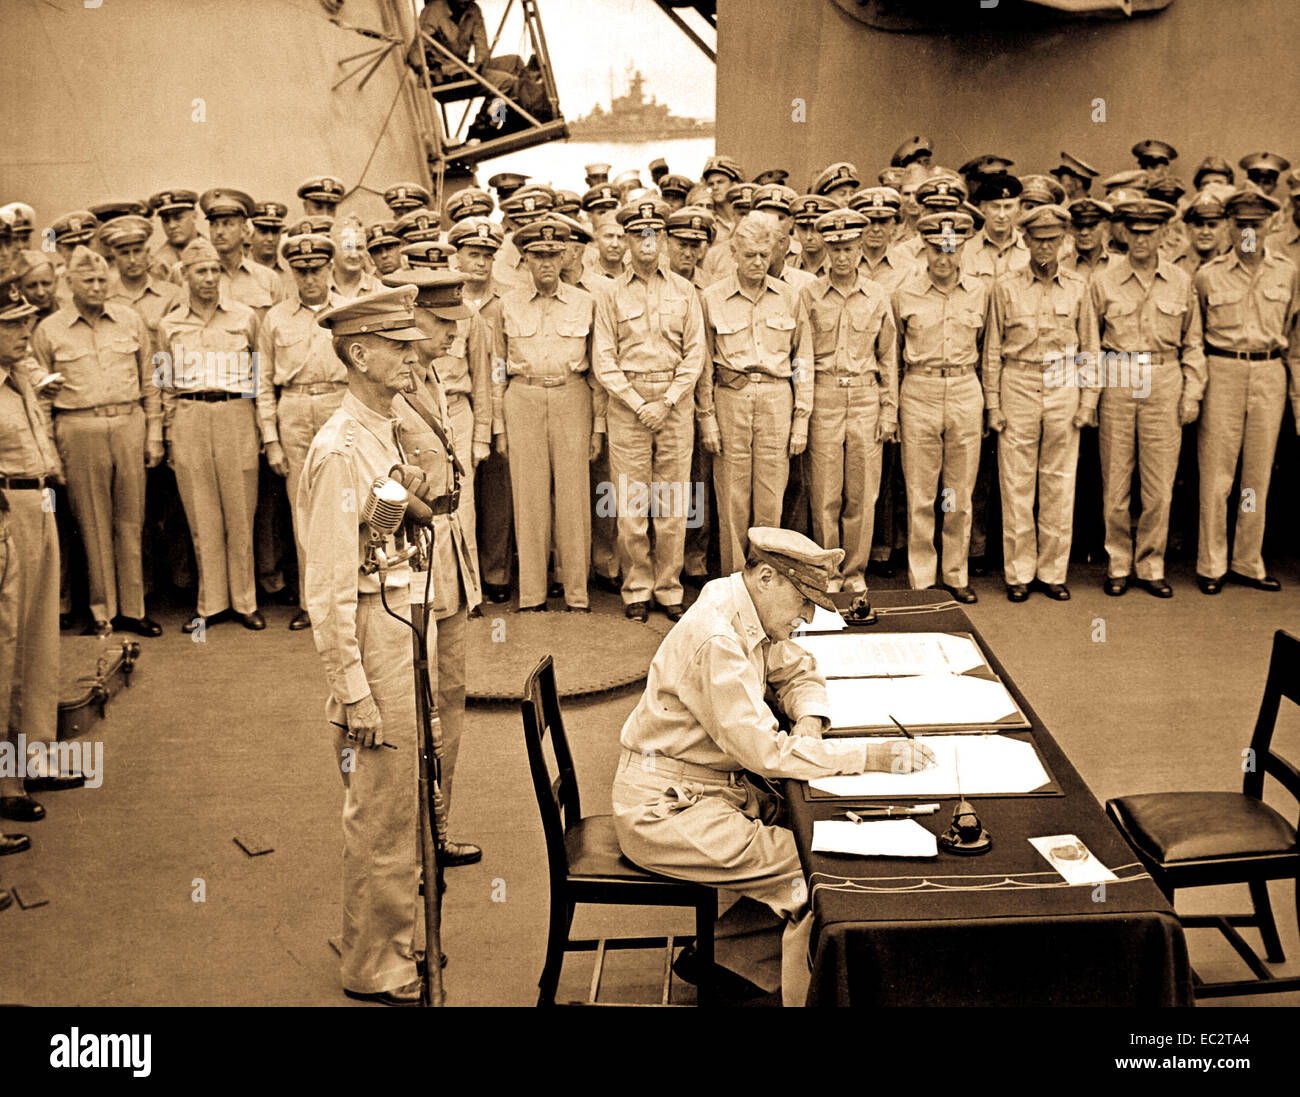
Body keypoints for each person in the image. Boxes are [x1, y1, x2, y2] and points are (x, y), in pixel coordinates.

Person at [612, 525, 934, 1005]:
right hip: (668, 810)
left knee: (818, 838)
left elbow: (798, 668)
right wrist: (870, 756)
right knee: (819, 872)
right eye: (803, 600)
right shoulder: (716, 637)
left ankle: (724, 957)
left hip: (712, 788)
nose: (807, 614)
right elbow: (764, 752)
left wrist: (808, 718)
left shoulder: (741, 602)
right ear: (766, 577)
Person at [299, 285, 427, 1007]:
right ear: (359, 352)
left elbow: (382, 529)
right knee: (379, 808)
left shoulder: (385, 425)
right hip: (374, 636)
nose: (411, 353)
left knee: (403, 796)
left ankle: (390, 936)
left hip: (403, 617)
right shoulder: (340, 447)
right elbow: (327, 587)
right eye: (397, 344)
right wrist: (353, 691)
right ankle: (373, 964)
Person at [382, 268, 484, 868]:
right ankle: (411, 836)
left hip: (449, 546)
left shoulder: (431, 375)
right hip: (414, 553)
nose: (452, 334)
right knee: (416, 697)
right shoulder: (388, 393)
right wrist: (411, 504)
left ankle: (436, 826)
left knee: (450, 690)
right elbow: (378, 498)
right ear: (410, 320)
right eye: (442, 324)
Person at [30, 246, 162, 635]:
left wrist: (154, 434)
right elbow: (38, 400)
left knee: (130, 521)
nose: (97, 287)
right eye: (87, 280)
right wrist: (49, 453)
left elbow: (150, 380)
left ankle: (134, 610)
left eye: (103, 280)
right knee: (92, 524)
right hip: (78, 428)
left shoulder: (130, 320)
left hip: (127, 423)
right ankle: (103, 612)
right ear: (69, 283)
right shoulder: (48, 330)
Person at [592, 200, 705, 622]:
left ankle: (669, 588)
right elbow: (604, 359)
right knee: (631, 503)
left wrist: (668, 401)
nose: (646, 242)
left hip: (674, 403)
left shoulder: (684, 291)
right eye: (637, 234)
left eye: (654, 233)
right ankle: (636, 586)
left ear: (663, 239)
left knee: (673, 502)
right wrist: (641, 404)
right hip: (629, 404)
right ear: (625, 240)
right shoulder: (609, 295)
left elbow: (695, 356)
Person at [984, 205, 1099, 602]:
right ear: (1026, 241)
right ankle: (1018, 573)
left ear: (1063, 241)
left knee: (1059, 482)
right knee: (1016, 484)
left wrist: (1088, 401)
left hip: (1063, 379)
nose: (1045, 247)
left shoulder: (1078, 286)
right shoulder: (1006, 286)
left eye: (1053, 239)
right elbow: (993, 350)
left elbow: (1090, 349)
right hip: (1018, 379)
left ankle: (1052, 572)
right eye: (1038, 239)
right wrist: (993, 404)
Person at [491, 219, 605, 612]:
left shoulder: (585, 302)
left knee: (573, 499)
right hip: (522, 397)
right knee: (529, 499)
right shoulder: (507, 304)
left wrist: (599, 426)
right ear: (524, 258)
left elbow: (598, 370)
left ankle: (576, 593)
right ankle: (533, 594)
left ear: (565, 256)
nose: (545, 263)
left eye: (553, 255)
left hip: (571, 396)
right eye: (537, 255)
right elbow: (496, 367)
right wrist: (497, 425)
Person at [0, 274, 78, 833]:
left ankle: (34, 757)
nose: (24, 332)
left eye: (26, 321)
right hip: (6, 510)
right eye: (11, 325)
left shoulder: (18, 377)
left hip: (38, 501)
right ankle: (5, 782)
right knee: (5, 645)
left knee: (37, 639)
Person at [1194, 189, 1300, 594]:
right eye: (1241, 225)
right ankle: (1211, 564)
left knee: (1255, 475)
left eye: (1256, 224)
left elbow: (1290, 328)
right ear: (1229, 227)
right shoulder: (1209, 274)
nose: (1249, 233)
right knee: (1217, 475)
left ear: (1271, 225)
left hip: (1270, 371)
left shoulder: (1286, 272)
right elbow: (1198, 330)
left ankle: (1246, 561)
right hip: (1223, 369)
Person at [697, 214, 813, 576]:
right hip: (731, 397)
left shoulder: (790, 297)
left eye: (764, 255)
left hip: (777, 400)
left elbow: (802, 361)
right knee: (732, 496)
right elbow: (703, 365)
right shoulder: (711, 298)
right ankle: (735, 579)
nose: (758, 263)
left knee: (770, 497)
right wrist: (708, 419)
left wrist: (801, 420)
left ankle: (768, 577)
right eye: (749, 255)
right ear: (734, 253)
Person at [157, 238, 264, 631]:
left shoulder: (245, 317)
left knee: (240, 512)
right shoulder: (169, 325)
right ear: (184, 276)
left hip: (236, 412)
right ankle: (210, 605)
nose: (208, 278)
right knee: (201, 516)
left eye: (214, 270)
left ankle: (246, 602)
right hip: (189, 415)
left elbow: (260, 375)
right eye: (199, 271)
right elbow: (164, 384)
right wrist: (166, 435)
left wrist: (260, 428)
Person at [893, 210, 988, 603]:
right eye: (936, 250)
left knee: (958, 492)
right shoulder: (904, 294)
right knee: (921, 492)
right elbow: (894, 353)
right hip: (920, 388)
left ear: (962, 248)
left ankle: (955, 572)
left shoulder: (980, 291)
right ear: (925, 250)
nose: (944, 259)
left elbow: (987, 347)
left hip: (965, 386)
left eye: (951, 250)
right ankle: (922, 578)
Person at [801, 207, 898, 593]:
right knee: (825, 493)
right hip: (824, 392)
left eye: (849, 247)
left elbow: (888, 356)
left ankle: (855, 572)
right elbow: (800, 357)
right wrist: (802, 406)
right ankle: (828, 572)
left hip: (864, 395)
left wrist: (888, 409)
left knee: (861, 493)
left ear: (860, 247)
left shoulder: (877, 295)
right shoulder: (808, 294)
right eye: (835, 247)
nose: (842, 256)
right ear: (825, 248)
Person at [255, 234, 346, 630]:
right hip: (293, 408)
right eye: (301, 271)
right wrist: (271, 439)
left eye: (316, 269)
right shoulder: (275, 318)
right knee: (303, 509)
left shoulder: (348, 310)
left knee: (346, 501)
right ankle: (313, 605)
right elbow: (262, 383)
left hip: (338, 404)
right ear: (292, 273)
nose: (309, 278)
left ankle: (348, 597)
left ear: (329, 269)